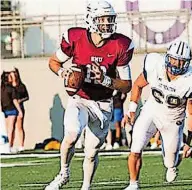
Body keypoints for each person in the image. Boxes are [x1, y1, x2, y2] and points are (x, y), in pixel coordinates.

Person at [45, 1, 134, 189]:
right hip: (80, 99)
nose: (107, 23)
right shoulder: (75, 37)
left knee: (92, 152)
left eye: (110, 19)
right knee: (71, 134)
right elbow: (53, 61)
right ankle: (63, 173)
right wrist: (64, 73)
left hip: (103, 103)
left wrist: (106, 80)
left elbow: (126, 86)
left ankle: (86, 187)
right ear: (91, 19)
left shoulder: (120, 44)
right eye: (103, 19)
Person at [122, 40, 192, 190]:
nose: (175, 65)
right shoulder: (155, 66)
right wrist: (132, 109)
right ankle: (133, 184)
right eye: (173, 60)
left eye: (180, 62)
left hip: (173, 120)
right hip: (151, 111)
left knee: (170, 161)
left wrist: (190, 143)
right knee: (136, 146)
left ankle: (172, 165)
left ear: (187, 64)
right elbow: (138, 85)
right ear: (167, 57)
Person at [1, 71, 23, 153]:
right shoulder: (11, 89)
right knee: (10, 129)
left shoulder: (2, 88)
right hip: (11, 109)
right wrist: (20, 111)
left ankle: (8, 145)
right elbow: (14, 100)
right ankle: (8, 146)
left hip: (6, 110)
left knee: (8, 129)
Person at [11, 68, 29, 152]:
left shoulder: (21, 86)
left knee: (20, 127)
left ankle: (21, 145)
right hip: (10, 108)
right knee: (11, 128)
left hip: (20, 108)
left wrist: (20, 100)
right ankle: (11, 145)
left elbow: (27, 97)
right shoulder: (9, 86)